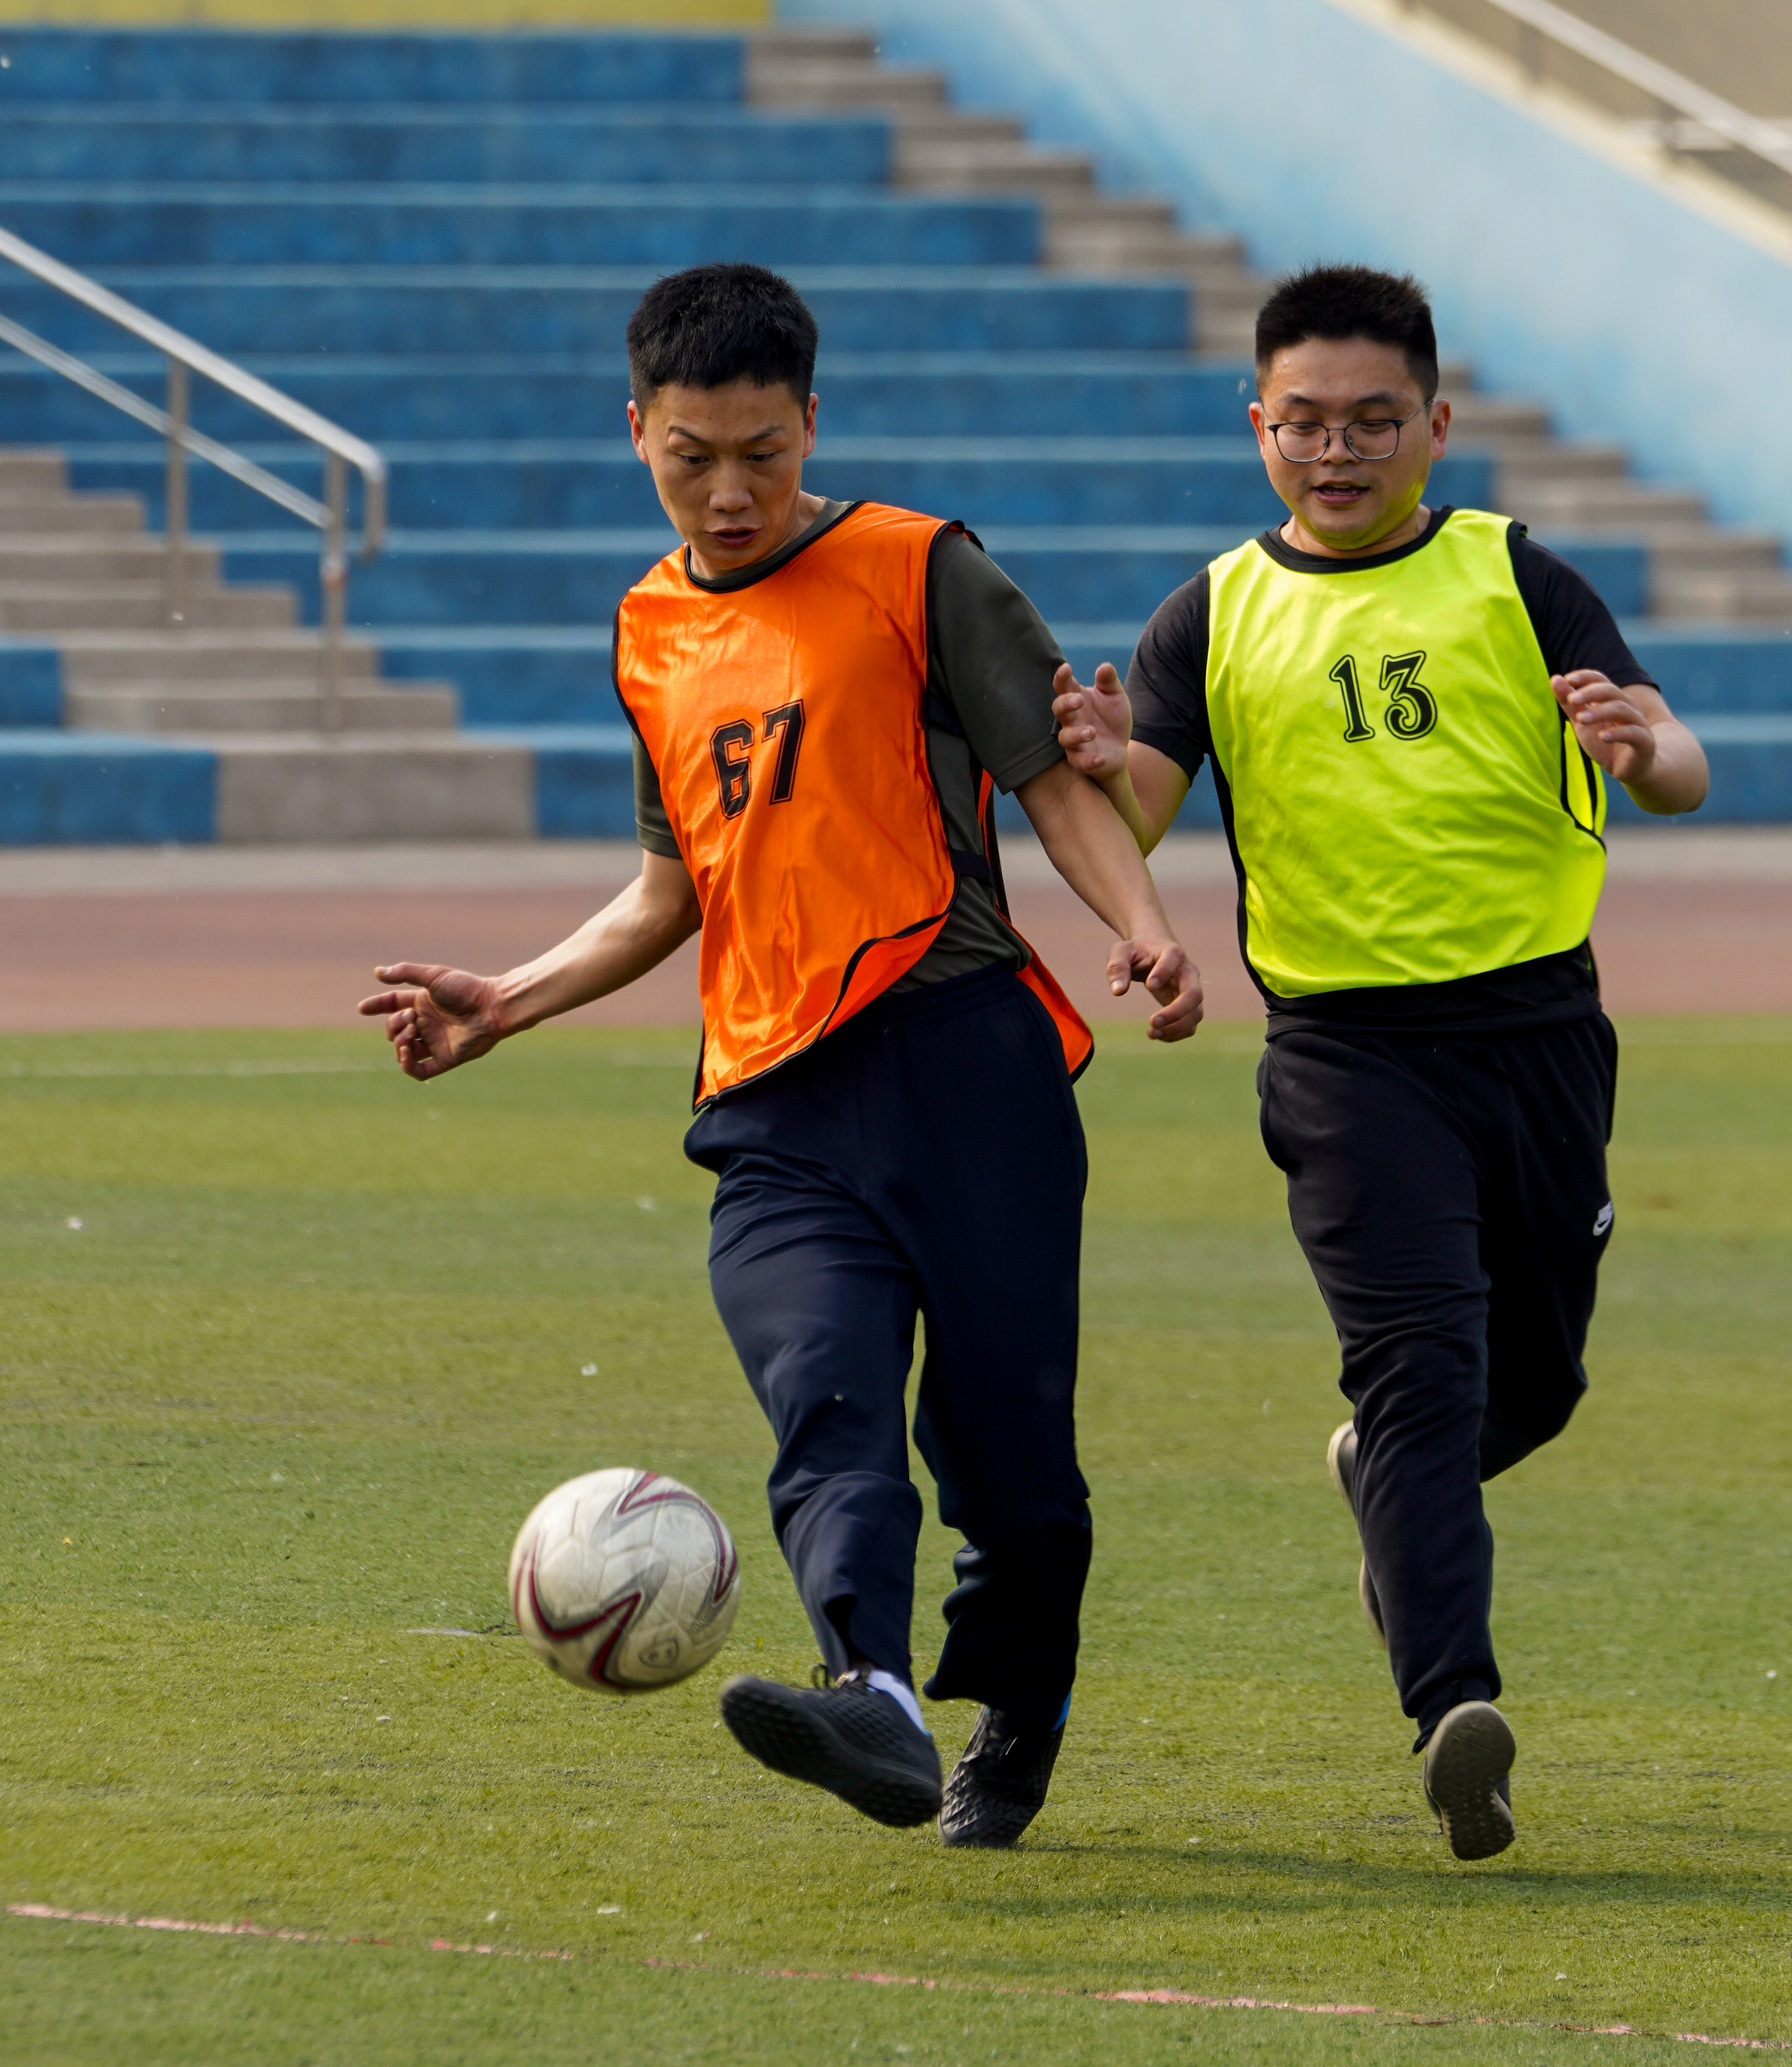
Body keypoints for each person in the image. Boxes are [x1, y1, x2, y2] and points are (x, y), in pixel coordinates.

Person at [360, 262, 1202, 1848]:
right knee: (824, 1391)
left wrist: (1148, 921)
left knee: (1015, 1470)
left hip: (966, 1065)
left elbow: (1054, 780)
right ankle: (872, 1689)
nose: (732, 488)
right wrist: (511, 998)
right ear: (637, 434)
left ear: (811, 420)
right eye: (694, 455)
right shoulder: (649, 629)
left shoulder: (918, 567)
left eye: (763, 450)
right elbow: (676, 884)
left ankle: (1017, 1700)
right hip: (772, 1097)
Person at [1053, 263, 1707, 1862]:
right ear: (1256, 423)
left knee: (1530, 1385)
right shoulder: (1209, 611)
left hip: (1543, 1033)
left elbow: (1679, 762)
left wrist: (1643, 745)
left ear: (1435, 423)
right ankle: (1453, 1708)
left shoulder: (1520, 578)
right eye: (1303, 423)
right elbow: (1128, 813)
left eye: (1372, 421)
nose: (1334, 451)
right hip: (1346, 1051)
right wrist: (1087, 770)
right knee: (1421, 1365)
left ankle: (1380, 1484)